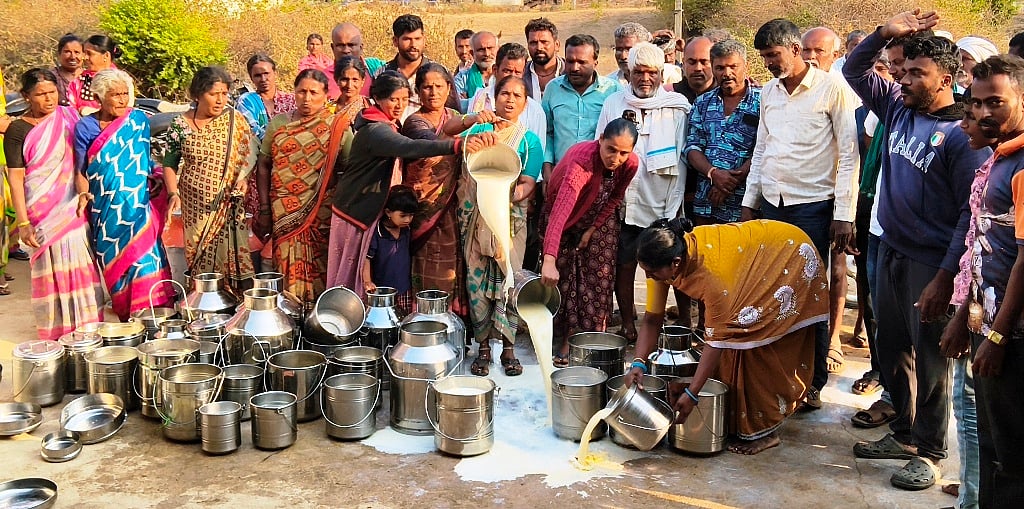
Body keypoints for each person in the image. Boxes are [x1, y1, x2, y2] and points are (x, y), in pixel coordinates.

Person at [845, 10, 991, 491]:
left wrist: (945, 278)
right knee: (892, 347)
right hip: (889, 246)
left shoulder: (962, 137)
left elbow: (968, 219)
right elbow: (854, 69)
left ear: (947, 80)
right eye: (902, 70)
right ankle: (904, 432)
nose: (903, 79)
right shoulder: (898, 107)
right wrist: (884, 31)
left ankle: (930, 452)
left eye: (916, 73)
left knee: (931, 361)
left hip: (931, 263)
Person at [626, 218, 828, 455]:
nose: (649, 277)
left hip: (788, 254)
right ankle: (740, 417)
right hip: (757, 254)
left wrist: (692, 394)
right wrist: (638, 363)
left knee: (750, 340)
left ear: (676, 263)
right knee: (732, 339)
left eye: (651, 272)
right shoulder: (663, 260)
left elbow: (716, 342)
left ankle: (766, 430)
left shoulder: (712, 277)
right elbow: (652, 319)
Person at [742, 18, 860, 409]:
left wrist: (844, 213)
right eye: (764, 58)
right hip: (773, 205)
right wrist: (749, 203)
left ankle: (813, 382)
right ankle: (780, 375)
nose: (769, 64)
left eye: (773, 56)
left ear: (795, 49)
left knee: (811, 295)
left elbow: (848, 155)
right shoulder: (769, 93)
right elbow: (762, 149)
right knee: (775, 292)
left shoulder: (832, 90)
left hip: (814, 207)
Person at [326, 71, 495, 295]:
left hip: (368, 206)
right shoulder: (376, 130)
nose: (399, 105)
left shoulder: (385, 122)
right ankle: (347, 317)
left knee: (369, 273)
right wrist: (457, 145)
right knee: (354, 275)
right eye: (393, 99)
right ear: (378, 98)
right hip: (356, 210)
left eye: (404, 100)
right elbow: (410, 146)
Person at [945, 54, 1024, 508]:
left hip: (1013, 336)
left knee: (1012, 458)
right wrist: (964, 317)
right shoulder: (998, 158)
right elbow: (983, 248)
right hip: (989, 324)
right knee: (992, 448)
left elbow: (1023, 262)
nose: (982, 113)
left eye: (996, 102)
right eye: (975, 103)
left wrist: (997, 336)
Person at [595, 42, 690, 351]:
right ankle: (627, 320)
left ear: (661, 73)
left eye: (652, 72)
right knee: (624, 264)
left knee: (666, 266)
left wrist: (674, 209)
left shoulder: (676, 107)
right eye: (638, 72)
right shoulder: (613, 103)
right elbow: (601, 148)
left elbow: (680, 162)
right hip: (624, 200)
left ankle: (677, 321)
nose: (645, 79)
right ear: (628, 72)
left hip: (662, 200)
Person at [3, 68, 104, 339]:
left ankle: (88, 327)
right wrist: (23, 222)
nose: (48, 99)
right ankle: (57, 332)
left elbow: (86, 155)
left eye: (51, 92)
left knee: (80, 262)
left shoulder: (70, 117)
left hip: (72, 205)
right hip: (40, 209)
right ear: (26, 96)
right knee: (50, 268)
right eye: (40, 95)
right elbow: (16, 178)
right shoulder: (17, 129)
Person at [455, 76, 542, 378]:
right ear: (494, 97)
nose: (509, 99)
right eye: (504, 93)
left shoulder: (529, 140)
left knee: (509, 281)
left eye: (517, 95)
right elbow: (463, 160)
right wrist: (471, 140)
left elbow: (528, 181)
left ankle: (508, 349)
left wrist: (514, 195)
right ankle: (482, 348)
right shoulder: (479, 132)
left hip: (510, 223)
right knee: (476, 282)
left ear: (525, 103)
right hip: (477, 218)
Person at [73, 68, 174, 321]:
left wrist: (157, 176)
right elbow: (81, 169)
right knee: (116, 263)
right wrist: (83, 194)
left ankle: (155, 314)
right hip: (106, 210)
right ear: (99, 97)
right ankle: (127, 317)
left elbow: (144, 158)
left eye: (125, 94)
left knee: (145, 258)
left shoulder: (137, 121)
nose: (122, 100)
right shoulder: (85, 127)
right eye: (115, 94)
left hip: (138, 205)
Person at [539, 119, 639, 352]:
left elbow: (615, 197)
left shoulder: (630, 164)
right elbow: (559, 214)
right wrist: (549, 259)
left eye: (623, 152)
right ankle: (566, 338)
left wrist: (592, 229)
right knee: (562, 277)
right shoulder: (581, 164)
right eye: (611, 149)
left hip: (599, 218)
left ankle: (591, 339)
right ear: (601, 139)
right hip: (563, 218)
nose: (615, 158)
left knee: (598, 277)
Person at [255, 70, 347, 306]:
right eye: (301, 91)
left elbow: (350, 167)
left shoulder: (337, 127)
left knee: (323, 265)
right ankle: (290, 317)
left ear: (326, 96)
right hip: (284, 210)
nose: (306, 98)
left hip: (322, 212)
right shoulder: (279, 123)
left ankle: (321, 318)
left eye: (313, 92)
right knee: (286, 265)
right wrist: (265, 208)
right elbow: (264, 165)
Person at [164, 66, 257, 293]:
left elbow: (250, 152)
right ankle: (204, 309)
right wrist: (172, 193)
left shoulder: (234, 121)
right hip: (196, 209)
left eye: (224, 94)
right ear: (197, 94)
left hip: (228, 207)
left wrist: (244, 179)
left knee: (233, 260)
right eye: (213, 94)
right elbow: (169, 163)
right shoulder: (179, 125)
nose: (220, 100)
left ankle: (237, 310)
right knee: (200, 261)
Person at [401, 63, 469, 316]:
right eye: (426, 87)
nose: (433, 92)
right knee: (425, 264)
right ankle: (424, 321)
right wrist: (462, 141)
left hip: (451, 206)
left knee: (451, 266)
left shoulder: (454, 117)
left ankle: (451, 324)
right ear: (418, 91)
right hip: (422, 210)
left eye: (438, 86)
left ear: (448, 88)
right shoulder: (414, 121)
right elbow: (429, 143)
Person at [686, 39, 761, 225]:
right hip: (706, 202)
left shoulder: (764, 101)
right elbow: (692, 147)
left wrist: (733, 179)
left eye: (733, 66)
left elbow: (767, 147)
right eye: (719, 68)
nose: (727, 73)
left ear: (746, 66)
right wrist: (714, 173)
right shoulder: (702, 103)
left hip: (746, 205)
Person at [542, 34, 621, 182]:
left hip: (599, 176)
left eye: (581, 62)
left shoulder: (613, 91)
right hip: (561, 175)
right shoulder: (553, 89)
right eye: (570, 61)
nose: (574, 68)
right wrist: (547, 169)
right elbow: (547, 132)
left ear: (595, 63)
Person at [464, 42, 547, 152]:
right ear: (495, 70)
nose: (512, 76)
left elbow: (536, 151)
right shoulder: (479, 99)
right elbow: (466, 138)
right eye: (507, 71)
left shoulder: (534, 110)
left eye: (517, 72)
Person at [363, 185, 417, 316]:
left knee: (404, 320)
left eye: (411, 215)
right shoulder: (377, 233)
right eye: (403, 215)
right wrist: (367, 281)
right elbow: (367, 258)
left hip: (404, 289)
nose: (408, 220)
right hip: (384, 291)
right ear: (388, 212)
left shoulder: (406, 230)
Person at [236, 55, 297, 143]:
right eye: (257, 76)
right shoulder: (246, 101)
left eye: (266, 73)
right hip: (259, 150)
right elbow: (254, 132)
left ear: (275, 74)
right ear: (251, 78)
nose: (263, 79)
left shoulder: (291, 100)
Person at [328, 22, 386, 100]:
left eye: (351, 45)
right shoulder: (321, 78)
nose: (346, 50)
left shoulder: (375, 68)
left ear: (361, 47)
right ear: (332, 47)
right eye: (341, 45)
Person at [67, 34, 120, 115]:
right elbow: (70, 114)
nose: (85, 57)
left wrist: (86, 111)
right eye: (84, 53)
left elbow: (123, 113)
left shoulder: (122, 81)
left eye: (89, 53)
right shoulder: (78, 82)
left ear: (106, 55)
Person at [454, 31, 497, 111]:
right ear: (472, 53)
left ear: (497, 49)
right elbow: (457, 105)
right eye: (481, 50)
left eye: (490, 48)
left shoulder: (505, 73)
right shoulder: (462, 78)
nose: (487, 54)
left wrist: (471, 101)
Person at [523, 18, 564, 101]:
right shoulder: (520, 74)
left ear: (557, 45)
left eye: (544, 42)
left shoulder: (570, 73)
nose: (539, 47)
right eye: (533, 43)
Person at [672, 36, 716, 103]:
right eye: (692, 62)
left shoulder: (726, 98)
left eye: (704, 62)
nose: (698, 68)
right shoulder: (669, 94)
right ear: (683, 63)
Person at [609, 22, 652, 87]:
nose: (623, 56)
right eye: (619, 50)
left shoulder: (666, 78)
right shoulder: (608, 85)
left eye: (629, 50)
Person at [52, 34, 84, 107]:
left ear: (84, 54)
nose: (73, 57)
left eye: (77, 52)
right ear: (59, 54)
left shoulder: (92, 77)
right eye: (67, 52)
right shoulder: (50, 78)